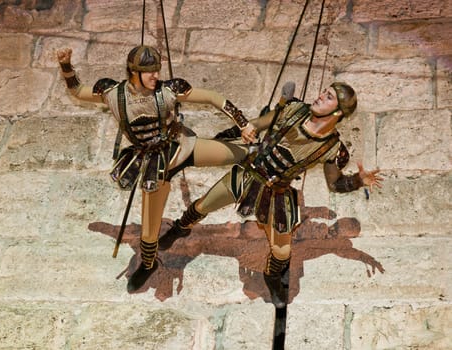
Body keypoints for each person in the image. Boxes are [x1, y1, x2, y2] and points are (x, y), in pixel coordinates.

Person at [158, 82, 383, 308]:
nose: (320, 96)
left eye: (329, 97)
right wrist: (240, 133)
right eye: (324, 91)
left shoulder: (333, 148)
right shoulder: (293, 110)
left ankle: (272, 277)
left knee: (282, 250)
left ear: (338, 112)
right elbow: (257, 124)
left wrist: (357, 181)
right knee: (203, 206)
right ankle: (179, 229)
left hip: (277, 191)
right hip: (250, 174)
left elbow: (335, 184)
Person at [56, 45, 256, 292]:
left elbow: (212, 97)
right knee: (149, 231)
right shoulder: (114, 93)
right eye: (149, 72)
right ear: (133, 72)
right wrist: (66, 66)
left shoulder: (168, 90)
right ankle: (149, 263)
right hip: (153, 165)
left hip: (180, 147)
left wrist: (244, 124)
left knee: (248, 156)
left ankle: (194, 217)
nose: (155, 77)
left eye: (157, 71)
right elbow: (77, 91)